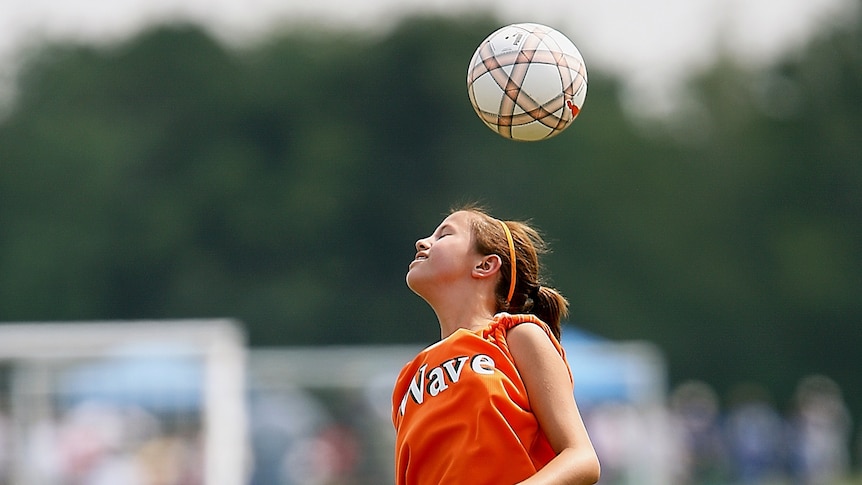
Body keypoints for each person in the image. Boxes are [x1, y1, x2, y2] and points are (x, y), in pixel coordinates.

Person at [391, 205, 601, 485]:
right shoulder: (410, 378)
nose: (422, 242)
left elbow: (581, 458)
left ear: (485, 265)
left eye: (444, 235)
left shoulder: (518, 337)